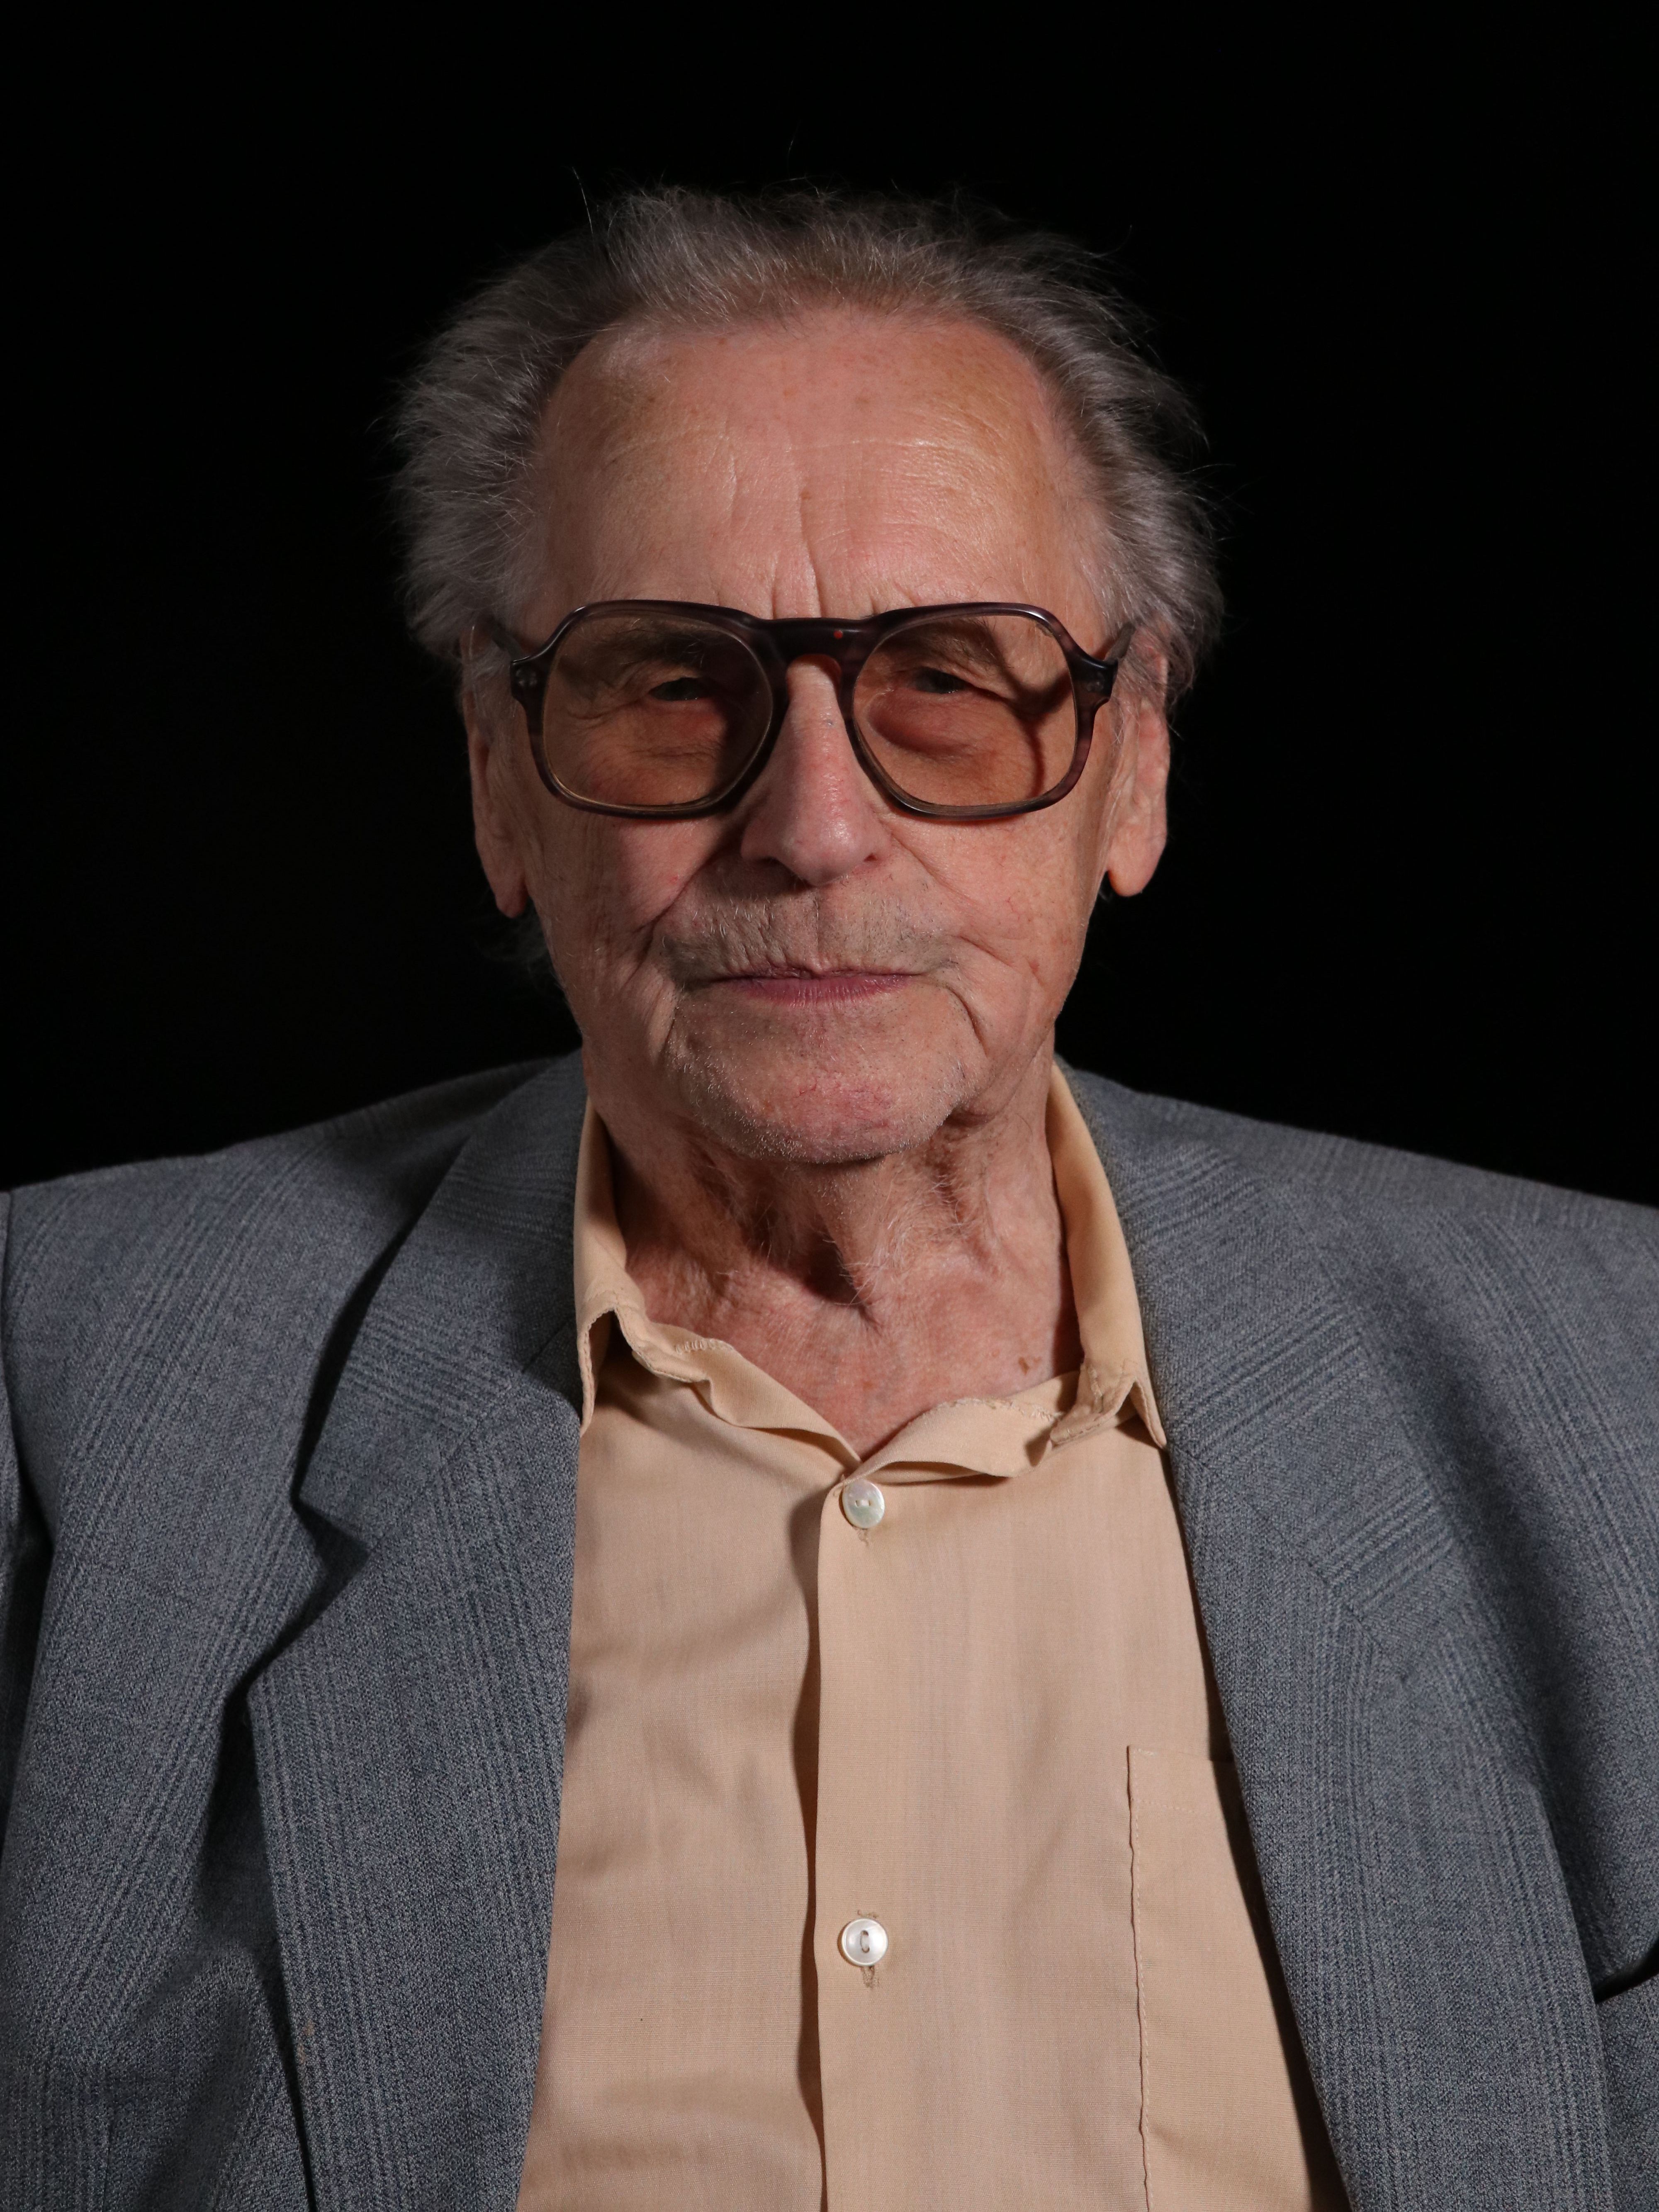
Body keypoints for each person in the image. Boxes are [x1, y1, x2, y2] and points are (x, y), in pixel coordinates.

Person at [0, 188, 1652, 2212]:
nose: (811, 825)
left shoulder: (1618, 1392)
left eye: (947, 675)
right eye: (669, 682)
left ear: (1132, 765)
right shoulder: (62, 1395)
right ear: (498, 781)